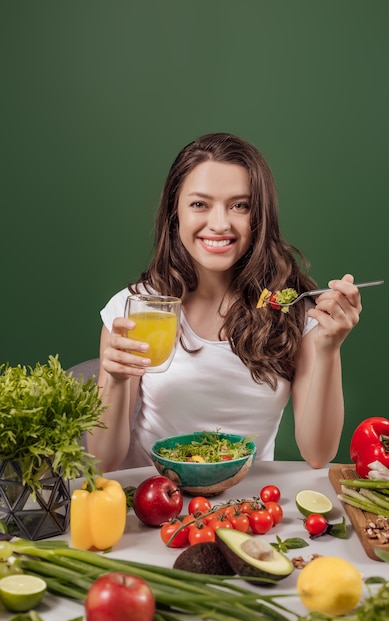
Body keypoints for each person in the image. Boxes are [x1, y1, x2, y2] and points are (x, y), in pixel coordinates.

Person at [88, 132, 362, 473]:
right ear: (176, 213)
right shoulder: (135, 307)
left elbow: (318, 454)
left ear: (259, 216)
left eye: (239, 205)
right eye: (199, 204)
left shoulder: (294, 311)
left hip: (248, 505)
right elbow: (103, 462)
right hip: (152, 503)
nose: (219, 224)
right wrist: (113, 380)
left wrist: (329, 349)